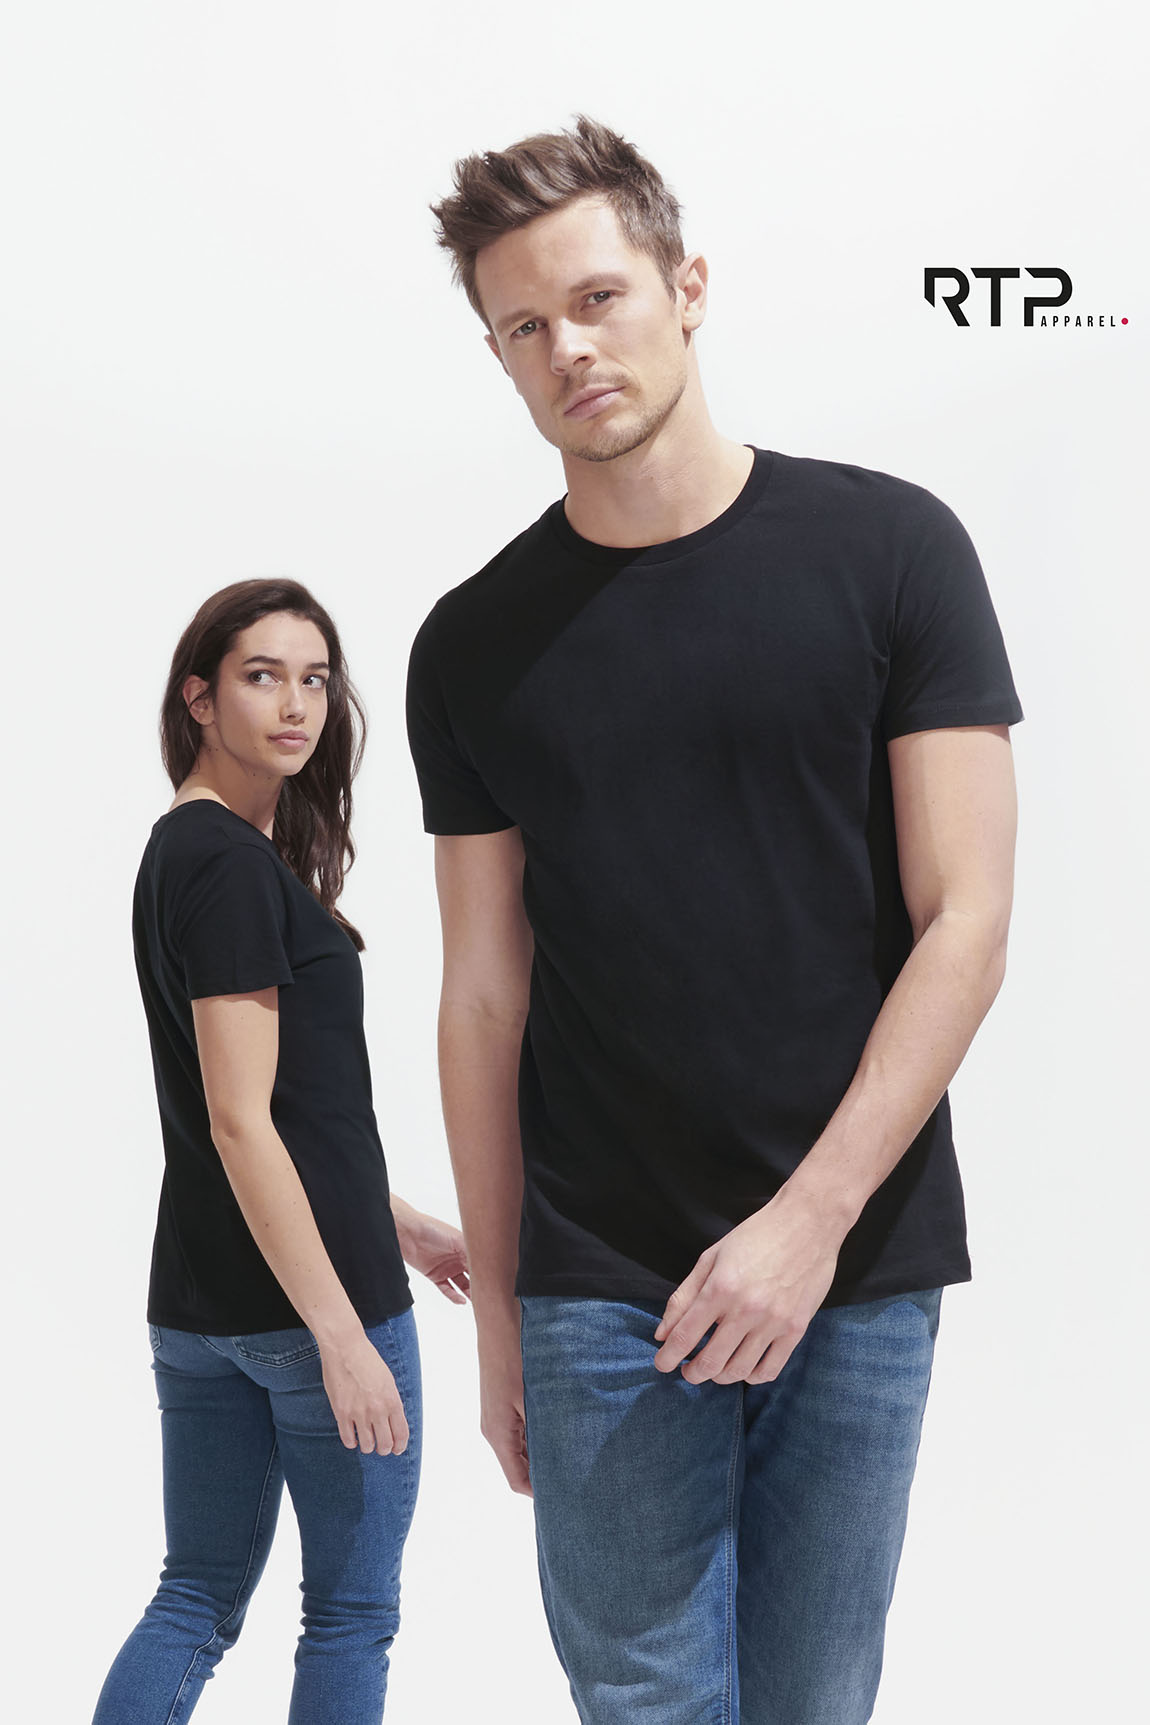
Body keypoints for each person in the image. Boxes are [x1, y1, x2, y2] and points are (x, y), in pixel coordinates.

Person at [407, 118, 1022, 1724]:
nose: (567, 347)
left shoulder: (892, 551)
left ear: (685, 287)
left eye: (595, 298)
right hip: (598, 1279)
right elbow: (482, 997)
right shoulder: (470, 644)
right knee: (645, 1705)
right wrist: (501, 1320)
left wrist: (807, 1223)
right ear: (497, 357)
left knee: (813, 1700)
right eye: (522, 327)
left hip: (855, 1254)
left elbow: (965, 920)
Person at [94, 578, 469, 1725]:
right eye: (263, 676)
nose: (297, 704)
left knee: (194, 1596)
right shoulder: (225, 864)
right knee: (350, 1613)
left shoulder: (188, 852)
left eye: (315, 679)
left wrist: (401, 1224)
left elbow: (285, 1112)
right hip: (311, 1308)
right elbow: (240, 1121)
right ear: (199, 698)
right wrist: (341, 1337)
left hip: (199, 1303)